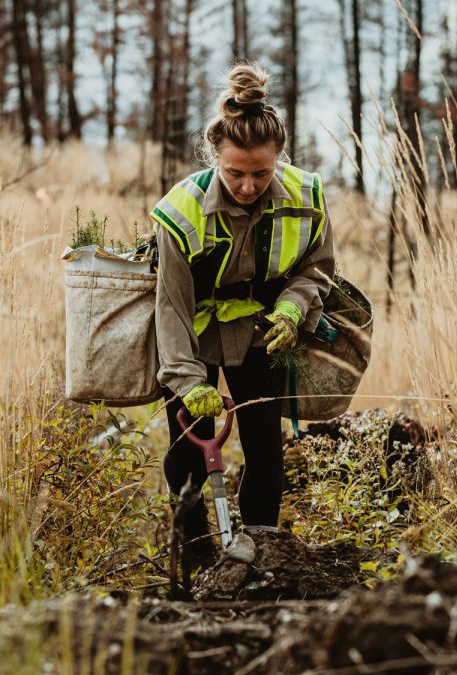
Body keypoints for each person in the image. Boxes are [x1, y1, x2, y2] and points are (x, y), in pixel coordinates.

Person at [150, 62, 334, 568]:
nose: (249, 185)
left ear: (279, 158)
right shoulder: (180, 212)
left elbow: (317, 270)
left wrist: (293, 310)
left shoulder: (307, 198)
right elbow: (171, 307)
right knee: (186, 454)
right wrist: (188, 384)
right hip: (193, 337)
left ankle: (261, 555)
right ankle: (193, 560)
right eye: (235, 173)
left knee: (264, 446)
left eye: (261, 173)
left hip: (262, 333)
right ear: (213, 158)